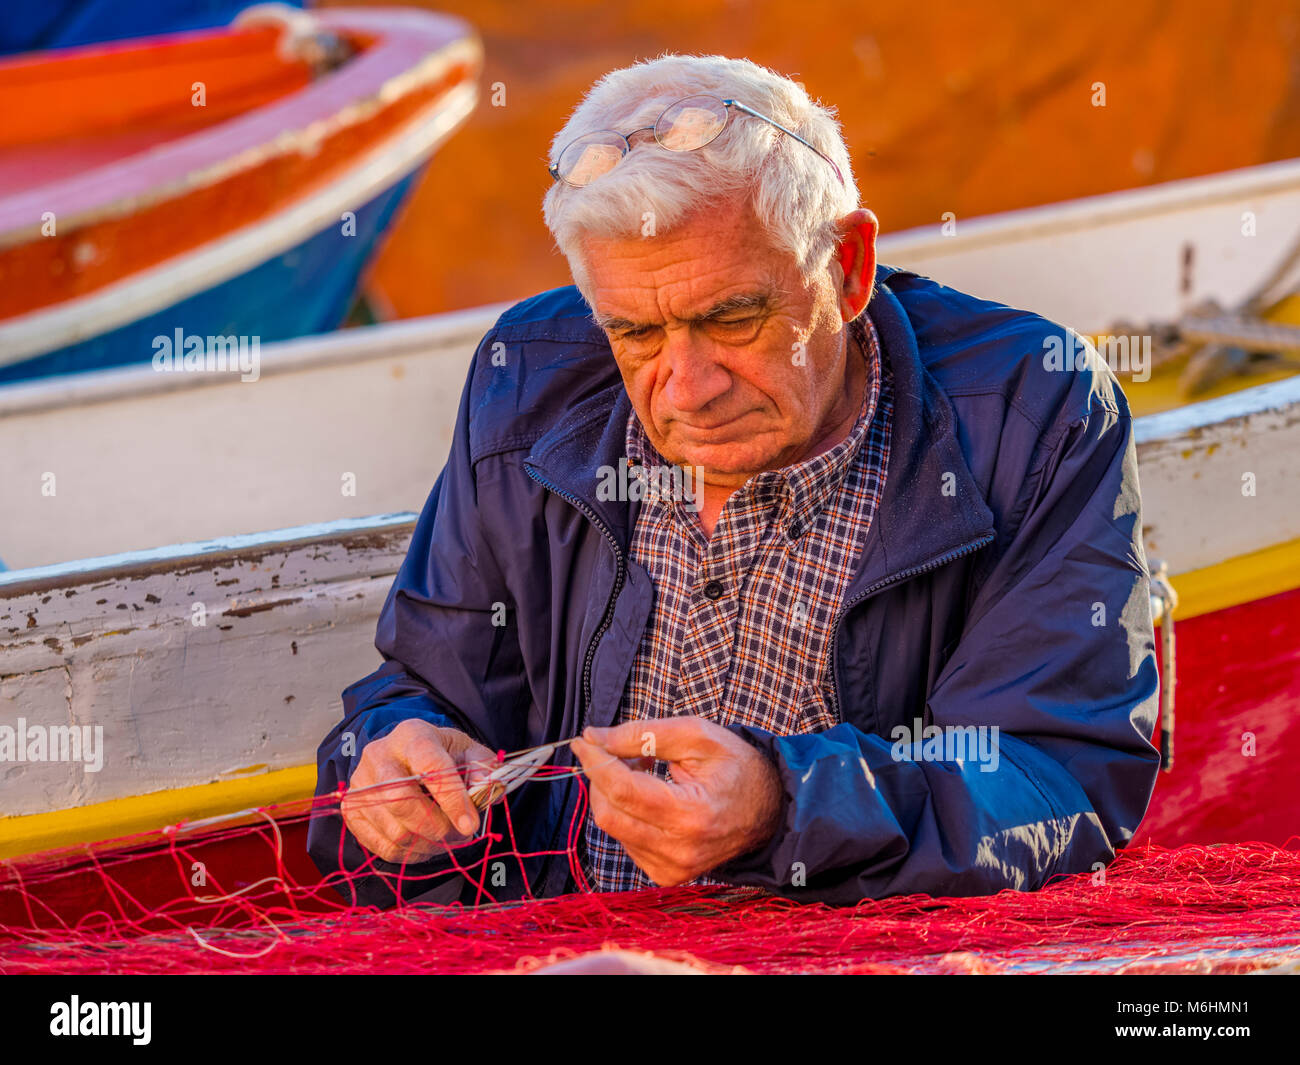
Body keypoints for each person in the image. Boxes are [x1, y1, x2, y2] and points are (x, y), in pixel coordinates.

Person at [309, 54, 1160, 906]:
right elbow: (422, 689)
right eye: (635, 333)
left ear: (849, 266)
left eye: (732, 318)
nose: (687, 388)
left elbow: (1058, 777)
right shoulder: (525, 376)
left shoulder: (1034, 409)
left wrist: (782, 806)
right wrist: (393, 756)